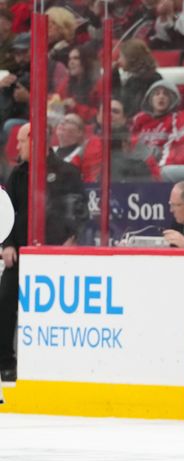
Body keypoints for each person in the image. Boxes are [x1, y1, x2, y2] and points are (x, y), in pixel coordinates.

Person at [0, 123, 87, 383]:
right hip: (22, 252)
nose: (17, 146)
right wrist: (7, 244)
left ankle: (55, 361)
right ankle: (5, 361)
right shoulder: (18, 174)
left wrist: (73, 238)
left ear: (37, 141)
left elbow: (80, 210)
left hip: (55, 254)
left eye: (22, 141)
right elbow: (8, 213)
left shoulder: (67, 173)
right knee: (5, 300)